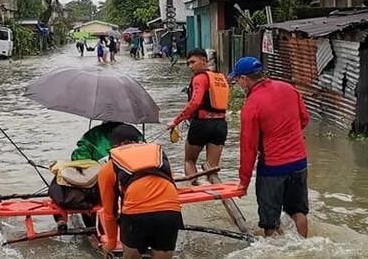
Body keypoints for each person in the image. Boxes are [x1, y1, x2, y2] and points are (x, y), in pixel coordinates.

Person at [231, 56, 310, 238]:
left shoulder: (251, 106)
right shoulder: (288, 88)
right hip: (299, 162)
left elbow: (248, 148)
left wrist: (243, 182)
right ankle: (304, 247)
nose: (238, 84)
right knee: (299, 212)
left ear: (244, 79)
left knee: (270, 223)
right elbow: (304, 118)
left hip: (273, 168)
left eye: (237, 80)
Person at [98, 124, 183, 259]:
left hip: (135, 215)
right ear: (139, 141)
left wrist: (111, 244)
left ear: (114, 146)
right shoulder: (158, 155)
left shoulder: (109, 166)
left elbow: (109, 214)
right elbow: (171, 184)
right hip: (170, 212)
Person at [166, 48, 229, 180]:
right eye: (188, 63)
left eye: (193, 62)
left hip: (202, 125)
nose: (190, 66)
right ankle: (217, 197)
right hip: (220, 125)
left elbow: (195, 102)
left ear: (204, 61)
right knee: (211, 168)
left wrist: (175, 121)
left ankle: (195, 192)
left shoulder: (199, 78)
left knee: (189, 161)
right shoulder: (220, 77)